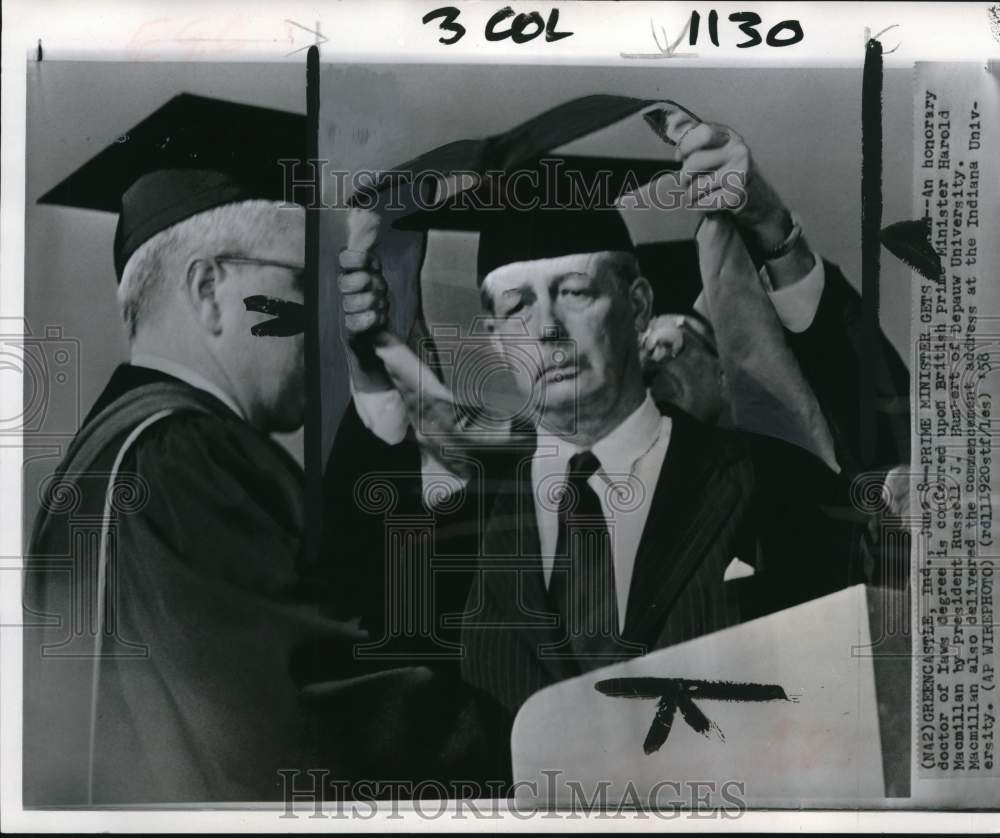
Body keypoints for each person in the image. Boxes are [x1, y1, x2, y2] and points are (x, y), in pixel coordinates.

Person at [334, 100, 904, 716]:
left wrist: (773, 231)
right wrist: (373, 365)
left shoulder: (765, 479)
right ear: (495, 339)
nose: (547, 329)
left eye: (575, 293)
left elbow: (889, 468)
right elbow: (351, 611)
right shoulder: (456, 521)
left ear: (636, 307)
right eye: (518, 306)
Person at [23, 93, 509, 805]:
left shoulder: (106, 456)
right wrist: (540, 738)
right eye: (303, 284)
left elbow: (328, 611)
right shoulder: (183, 457)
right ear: (209, 289)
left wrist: (377, 384)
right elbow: (318, 716)